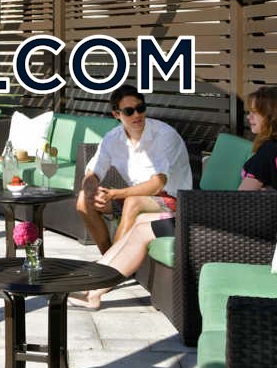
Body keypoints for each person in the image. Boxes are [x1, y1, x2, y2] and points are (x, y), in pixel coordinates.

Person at [72, 86, 194, 311]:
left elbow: (158, 184)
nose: (137, 115)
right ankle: (112, 263)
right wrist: (91, 190)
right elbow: (92, 172)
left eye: (140, 108)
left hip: (173, 199)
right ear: (116, 114)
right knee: (83, 200)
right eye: (129, 111)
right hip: (137, 197)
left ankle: (105, 276)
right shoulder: (113, 138)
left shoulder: (164, 135)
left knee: (132, 202)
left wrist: (115, 194)